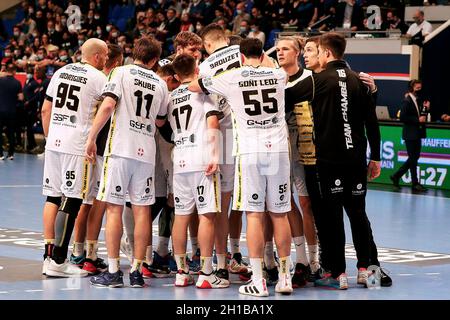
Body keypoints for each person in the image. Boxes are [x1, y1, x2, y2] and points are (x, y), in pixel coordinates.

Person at [189, 38, 293, 297]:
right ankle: (284, 276)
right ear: (261, 53)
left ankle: (258, 280)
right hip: (279, 151)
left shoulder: (232, 76)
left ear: (241, 56)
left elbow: (194, 86)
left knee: (255, 214)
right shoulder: (279, 74)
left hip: (250, 151)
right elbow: (270, 67)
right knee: (280, 214)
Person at [285, 33, 381, 290]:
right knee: (359, 214)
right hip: (356, 159)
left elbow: (285, 97)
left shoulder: (318, 81)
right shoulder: (360, 81)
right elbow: (372, 123)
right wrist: (377, 158)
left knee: (332, 216)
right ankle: (367, 271)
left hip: (328, 161)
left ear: (326, 53)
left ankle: (337, 273)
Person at [87, 36, 168, 288]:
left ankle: (112, 271)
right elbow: (161, 122)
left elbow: (109, 104)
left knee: (114, 208)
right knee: (142, 211)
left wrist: (91, 137)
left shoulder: (120, 72)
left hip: (120, 148)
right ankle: (136, 270)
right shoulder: (160, 83)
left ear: (134, 53)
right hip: (146, 152)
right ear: (155, 60)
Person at [40, 38, 108, 277]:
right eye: (106, 55)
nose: (107, 60)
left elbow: (45, 110)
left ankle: (48, 257)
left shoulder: (60, 72)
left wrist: (50, 138)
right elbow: (109, 109)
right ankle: (59, 260)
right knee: (74, 198)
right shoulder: (99, 78)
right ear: (97, 56)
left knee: (53, 197)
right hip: (78, 144)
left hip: (54, 142)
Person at [166, 54, 228, 289]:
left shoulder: (172, 97)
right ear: (196, 68)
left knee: (181, 216)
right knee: (207, 215)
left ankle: (181, 272)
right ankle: (206, 272)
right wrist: (215, 156)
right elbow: (213, 123)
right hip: (201, 159)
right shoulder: (202, 92)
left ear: (176, 74)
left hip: (179, 159)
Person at [198, 23, 249, 281]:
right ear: (225, 38)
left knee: (223, 202)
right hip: (252, 132)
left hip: (226, 136)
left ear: (207, 45)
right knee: (258, 203)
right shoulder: (243, 53)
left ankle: (221, 263)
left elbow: (207, 105)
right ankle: (268, 263)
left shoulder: (205, 67)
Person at [276, 36, 321, 288]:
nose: (280, 53)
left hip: (304, 145)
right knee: (283, 203)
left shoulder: (309, 78)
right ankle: (300, 258)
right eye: (278, 49)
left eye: (285, 49)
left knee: (306, 202)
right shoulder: (273, 77)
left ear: (297, 52)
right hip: (279, 146)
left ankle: (314, 260)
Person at [390, 80, 428, 192]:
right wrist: (417, 120)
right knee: (413, 159)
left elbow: (421, 115)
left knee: (414, 158)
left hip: (417, 133)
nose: (419, 90)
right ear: (411, 88)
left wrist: (426, 108)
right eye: (417, 88)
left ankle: (396, 176)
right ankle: (415, 183)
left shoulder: (417, 100)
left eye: (420, 88)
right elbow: (402, 117)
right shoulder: (407, 101)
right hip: (410, 134)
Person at [0, 64, 23, 160]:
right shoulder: (17, 83)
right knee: (11, 133)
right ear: (14, 71)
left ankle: (0, 154)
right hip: (12, 111)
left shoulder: (0, 81)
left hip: (0, 111)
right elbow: (21, 98)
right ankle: (10, 154)